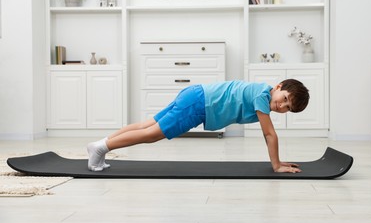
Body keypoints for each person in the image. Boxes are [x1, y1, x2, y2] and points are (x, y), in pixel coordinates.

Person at [87, 79, 309, 173]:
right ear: (278, 86)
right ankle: (102, 148)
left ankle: (99, 144)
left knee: (149, 124)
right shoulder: (262, 96)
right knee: (153, 134)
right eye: (285, 98)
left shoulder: (261, 93)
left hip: (196, 94)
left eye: (288, 108)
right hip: (199, 105)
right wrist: (277, 164)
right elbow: (269, 134)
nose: (282, 106)